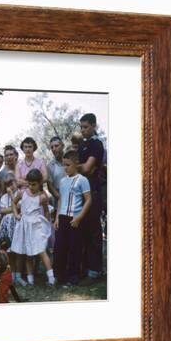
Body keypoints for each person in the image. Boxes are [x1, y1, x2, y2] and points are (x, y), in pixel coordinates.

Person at [11, 169, 56, 287]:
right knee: (28, 252)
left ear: (40, 183)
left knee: (42, 251)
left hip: (36, 226)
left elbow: (46, 212)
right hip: (24, 225)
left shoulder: (42, 197)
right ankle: (30, 280)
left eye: (34, 184)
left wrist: (46, 226)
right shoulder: (22, 193)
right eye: (29, 184)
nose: (31, 187)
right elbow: (14, 203)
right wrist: (16, 214)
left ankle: (51, 278)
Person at [53, 150, 92, 287]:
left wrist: (79, 217)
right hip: (62, 217)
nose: (65, 168)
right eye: (64, 165)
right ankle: (59, 276)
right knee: (60, 248)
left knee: (74, 249)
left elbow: (88, 200)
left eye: (68, 165)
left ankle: (72, 277)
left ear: (76, 163)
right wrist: (57, 218)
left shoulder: (82, 180)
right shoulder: (63, 181)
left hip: (75, 219)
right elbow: (60, 200)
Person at [77, 113, 105, 286]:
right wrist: (81, 168)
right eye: (81, 127)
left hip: (94, 192)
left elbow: (87, 168)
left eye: (86, 127)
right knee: (84, 231)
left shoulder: (96, 144)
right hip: (82, 192)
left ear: (94, 126)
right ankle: (87, 268)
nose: (83, 130)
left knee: (94, 231)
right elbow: (83, 168)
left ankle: (95, 271)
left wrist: (78, 167)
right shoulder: (82, 146)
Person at [47, 136, 66, 208]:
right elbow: (50, 187)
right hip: (58, 202)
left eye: (56, 146)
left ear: (62, 146)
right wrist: (60, 198)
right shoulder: (50, 165)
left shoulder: (71, 159)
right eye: (52, 147)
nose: (54, 149)